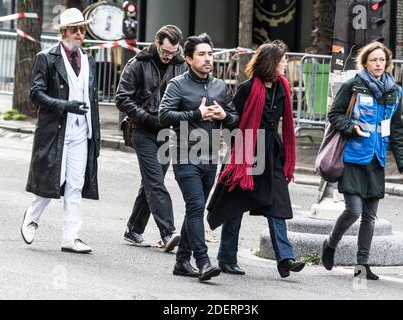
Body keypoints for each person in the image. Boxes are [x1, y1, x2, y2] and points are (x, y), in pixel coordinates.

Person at [207, 40, 305, 278]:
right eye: (282, 61)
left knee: (277, 206)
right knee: (235, 206)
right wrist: (239, 151)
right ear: (271, 63)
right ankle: (227, 258)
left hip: (271, 152)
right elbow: (232, 120)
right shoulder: (248, 88)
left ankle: (285, 258)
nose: (285, 65)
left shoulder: (282, 88)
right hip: (246, 150)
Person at [321, 41, 403, 280]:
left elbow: (396, 128)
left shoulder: (394, 91)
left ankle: (362, 265)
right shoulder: (354, 85)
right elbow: (334, 115)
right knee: (353, 210)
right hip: (353, 156)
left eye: (382, 60)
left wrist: (401, 159)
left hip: (377, 159)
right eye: (373, 60)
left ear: (387, 63)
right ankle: (330, 244)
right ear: (365, 63)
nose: (378, 64)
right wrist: (352, 128)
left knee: (370, 216)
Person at [159, 33, 239, 281]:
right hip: (185, 155)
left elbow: (235, 120)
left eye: (210, 54)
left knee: (195, 209)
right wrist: (196, 114)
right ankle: (203, 261)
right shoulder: (178, 85)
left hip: (210, 157)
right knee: (195, 207)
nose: (207, 59)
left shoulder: (220, 87)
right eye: (201, 54)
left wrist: (224, 116)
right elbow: (164, 116)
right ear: (189, 58)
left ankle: (182, 261)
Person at [21, 8, 100, 253]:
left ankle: (70, 237)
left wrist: (94, 133)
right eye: (75, 29)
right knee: (53, 179)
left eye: (82, 29)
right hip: (56, 129)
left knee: (75, 184)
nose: (80, 34)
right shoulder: (46, 57)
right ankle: (32, 217)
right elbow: (36, 94)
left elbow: (92, 97)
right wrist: (65, 106)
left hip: (81, 131)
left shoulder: (88, 59)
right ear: (64, 31)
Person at [115, 25, 187, 251]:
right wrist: (146, 117)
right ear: (157, 43)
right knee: (155, 182)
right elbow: (122, 98)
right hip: (142, 129)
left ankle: (133, 229)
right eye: (165, 51)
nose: (169, 56)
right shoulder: (137, 63)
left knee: (150, 182)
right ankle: (168, 233)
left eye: (173, 52)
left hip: (168, 132)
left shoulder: (181, 65)